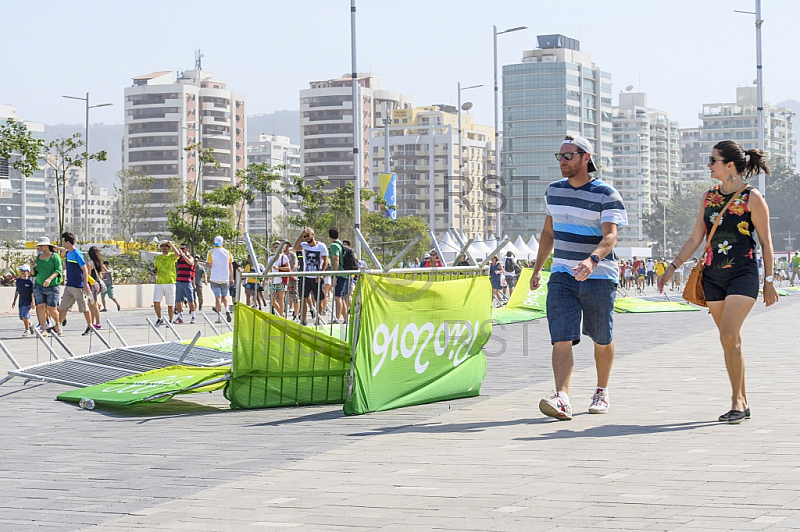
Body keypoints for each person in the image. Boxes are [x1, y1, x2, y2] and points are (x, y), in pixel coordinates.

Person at [658, 140, 778, 424]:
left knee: (728, 335)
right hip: (712, 276)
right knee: (730, 341)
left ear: (730, 165)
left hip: (742, 274)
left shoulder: (752, 197)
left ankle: (737, 400)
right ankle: (742, 401)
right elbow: (695, 237)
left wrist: (770, 280)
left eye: (712, 160)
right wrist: (672, 267)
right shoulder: (709, 196)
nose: (708, 165)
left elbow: (766, 241)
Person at [531, 135, 628, 421]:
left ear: (586, 158)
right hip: (562, 274)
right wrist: (538, 269)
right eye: (559, 157)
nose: (562, 161)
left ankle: (601, 390)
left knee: (601, 337)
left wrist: (592, 260)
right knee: (561, 337)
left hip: (599, 276)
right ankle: (562, 397)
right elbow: (549, 233)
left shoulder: (606, 194)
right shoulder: (553, 191)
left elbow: (610, 235)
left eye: (568, 156)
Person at [58, 232, 94, 336]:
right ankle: (58, 326)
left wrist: (85, 284)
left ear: (68, 242)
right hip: (69, 285)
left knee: (83, 308)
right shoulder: (69, 253)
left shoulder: (77, 253)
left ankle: (90, 326)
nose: (63, 244)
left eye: (64, 242)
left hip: (78, 285)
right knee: (63, 307)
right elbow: (66, 266)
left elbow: (84, 269)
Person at [293, 227, 329, 326]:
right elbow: (295, 247)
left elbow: (325, 260)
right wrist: (302, 235)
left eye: (308, 235)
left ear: (313, 235)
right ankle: (303, 320)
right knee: (303, 298)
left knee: (319, 300)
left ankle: (318, 320)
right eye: (305, 236)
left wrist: (321, 273)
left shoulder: (321, 246)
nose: (307, 238)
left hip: (317, 277)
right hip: (306, 276)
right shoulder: (304, 245)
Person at [30, 237, 63, 337]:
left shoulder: (54, 256)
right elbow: (33, 274)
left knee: (51, 308)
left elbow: (58, 270)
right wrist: (32, 267)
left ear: (46, 246)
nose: (39, 248)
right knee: (40, 307)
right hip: (39, 285)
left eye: (41, 246)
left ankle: (57, 324)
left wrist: (49, 279)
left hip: (52, 286)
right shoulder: (37, 258)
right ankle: (44, 329)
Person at [206, 235, 234, 323]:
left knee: (217, 297)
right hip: (225, 278)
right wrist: (231, 277)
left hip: (215, 278)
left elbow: (208, 264)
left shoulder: (211, 252)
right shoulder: (227, 252)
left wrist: (211, 265)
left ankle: (219, 317)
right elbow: (230, 265)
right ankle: (227, 309)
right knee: (225, 296)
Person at [152, 240, 180, 326]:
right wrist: (154, 273)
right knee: (156, 301)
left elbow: (178, 254)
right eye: (162, 246)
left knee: (170, 303)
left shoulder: (171, 256)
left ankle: (171, 321)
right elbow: (155, 268)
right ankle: (160, 319)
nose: (164, 247)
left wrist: (171, 244)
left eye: (166, 246)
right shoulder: (157, 258)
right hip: (159, 282)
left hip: (170, 282)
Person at [328, 227, 349, 323]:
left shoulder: (333, 246)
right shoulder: (340, 244)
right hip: (344, 273)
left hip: (339, 274)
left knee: (337, 297)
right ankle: (345, 319)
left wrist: (334, 275)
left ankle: (337, 319)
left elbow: (336, 259)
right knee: (341, 297)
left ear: (329, 236)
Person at [173, 243, 196, 324]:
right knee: (178, 300)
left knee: (190, 299)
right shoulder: (179, 258)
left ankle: (193, 316)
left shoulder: (190, 257)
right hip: (179, 281)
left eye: (183, 248)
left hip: (187, 281)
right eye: (181, 248)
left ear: (187, 249)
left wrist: (183, 254)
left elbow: (190, 262)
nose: (181, 250)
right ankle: (179, 316)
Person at [268, 241, 290, 317]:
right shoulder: (271, 258)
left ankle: (281, 316)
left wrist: (279, 268)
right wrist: (267, 279)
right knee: (272, 300)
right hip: (273, 280)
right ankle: (282, 314)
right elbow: (270, 269)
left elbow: (288, 268)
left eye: (278, 247)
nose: (276, 249)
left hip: (281, 280)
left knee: (281, 299)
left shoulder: (283, 257)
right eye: (275, 247)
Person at [12, 264, 34, 336]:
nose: (22, 272)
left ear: (28, 272)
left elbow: (32, 292)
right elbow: (17, 291)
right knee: (22, 317)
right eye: (21, 271)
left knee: (24, 315)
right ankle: (30, 324)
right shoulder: (18, 281)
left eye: (24, 271)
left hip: (28, 301)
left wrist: (33, 301)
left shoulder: (30, 282)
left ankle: (27, 331)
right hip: (21, 300)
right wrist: (14, 301)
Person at [86, 246, 104, 329]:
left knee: (93, 304)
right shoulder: (98, 263)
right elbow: (100, 275)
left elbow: (88, 275)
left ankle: (98, 323)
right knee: (91, 303)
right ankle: (92, 322)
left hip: (92, 284)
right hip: (98, 284)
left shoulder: (89, 263)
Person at [283, 243, 300, 320]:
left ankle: (296, 315)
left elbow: (295, 265)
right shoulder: (281, 256)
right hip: (282, 278)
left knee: (294, 296)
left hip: (292, 277)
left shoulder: (292, 255)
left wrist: (290, 272)